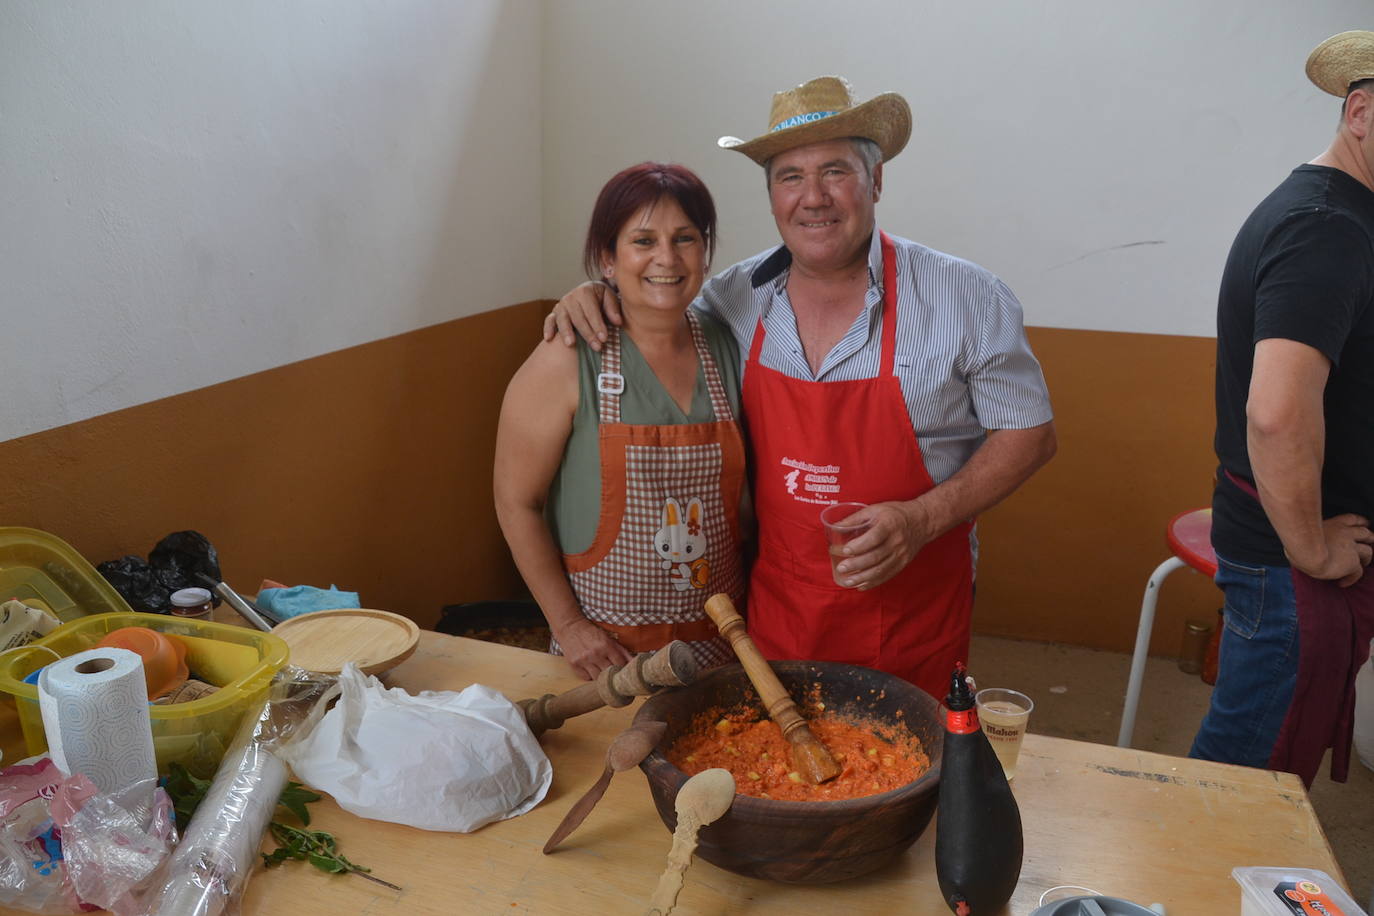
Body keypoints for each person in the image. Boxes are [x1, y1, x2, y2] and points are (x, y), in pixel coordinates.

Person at [545, 77, 1056, 699]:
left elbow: (1030, 432)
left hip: (914, 609)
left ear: (876, 182)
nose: (813, 198)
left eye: (835, 170)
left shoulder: (966, 296)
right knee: (781, 767)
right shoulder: (731, 296)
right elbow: (656, 298)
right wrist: (595, 295)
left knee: (907, 772)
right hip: (778, 607)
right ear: (771, 197)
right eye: (790, 177)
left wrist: (922, 519)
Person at [1191, 31, 1374, 786]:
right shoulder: (1327, 227)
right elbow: (1275, 413)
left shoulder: (1340, 214)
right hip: (1288, 568)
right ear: (1359, 110)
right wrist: (1312, 549)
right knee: (1241, 781)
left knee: (1253, 767)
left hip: (1286, 554)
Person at [494, 163, 746, 680]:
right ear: (608, 259)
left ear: (705, 251)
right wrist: (569, 627)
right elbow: (516, 502)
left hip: (718, 650)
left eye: (685, 239)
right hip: (606, 659)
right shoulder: (569, 355)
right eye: (643, 241)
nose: (666, 259)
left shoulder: (729, 346)